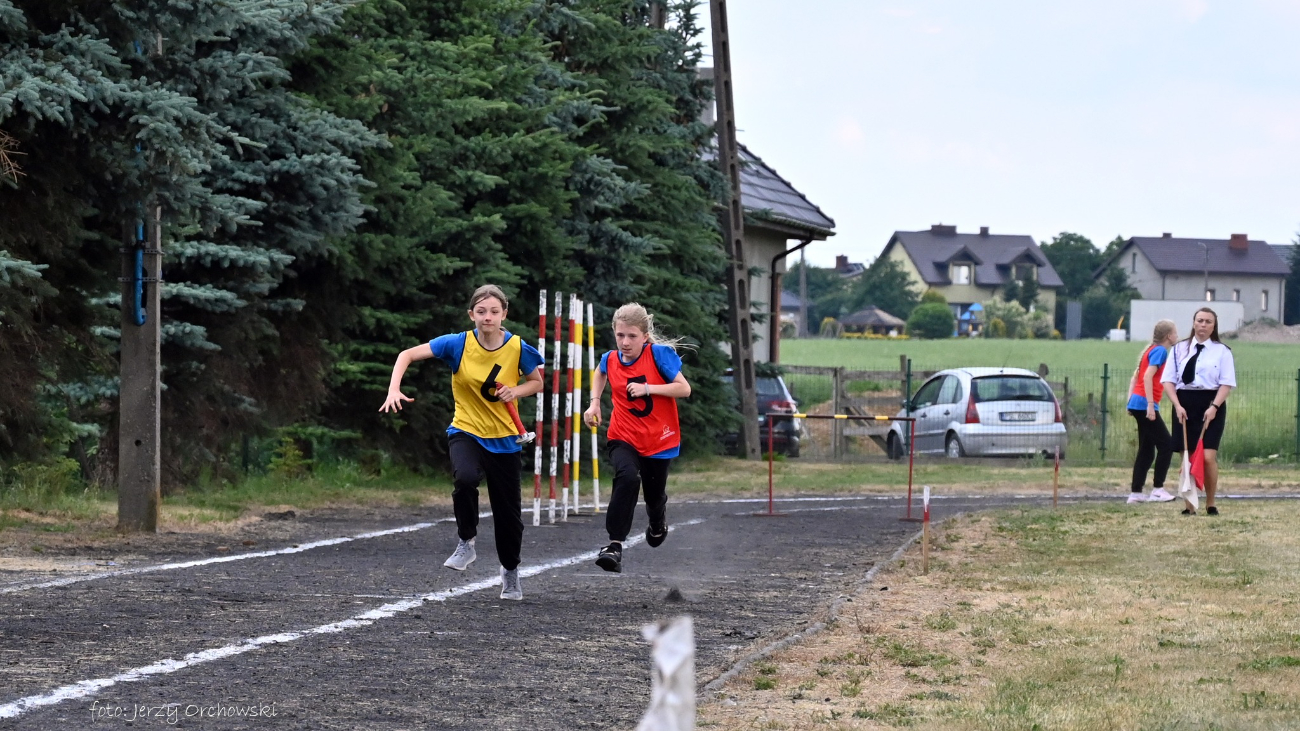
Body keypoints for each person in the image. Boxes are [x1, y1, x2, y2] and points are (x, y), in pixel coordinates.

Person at [380, 285, 544, 599]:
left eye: (494, 311)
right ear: (471, 315)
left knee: (508, 517)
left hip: (505, 439)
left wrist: (515, 391)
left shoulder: (517, 347)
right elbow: (407, 355)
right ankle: (466, 542)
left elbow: (536, 382)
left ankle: (510, 571)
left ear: (504, 314)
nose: (487, 317)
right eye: (481, 311)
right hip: (466, 430)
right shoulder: (458, 343)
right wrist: (393, 389)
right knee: (465, 478)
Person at [582, 303, 692, 574]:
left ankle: (657, 521)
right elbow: (600, 371)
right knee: (628, 476)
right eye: (620, 335)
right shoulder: (611, 358)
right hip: (623, 436)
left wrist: (648, 388)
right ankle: (614, 545)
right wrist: (594, 403)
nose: (625, 342)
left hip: (659, 441)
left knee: (654, 497)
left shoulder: (658, 355)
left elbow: (684, 389)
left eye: (632, 336)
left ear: (645, 336)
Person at [1162, 307, 1236, 516]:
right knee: (1187, 456)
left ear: (1214, 326)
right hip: (1184, 404)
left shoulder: (1222, 351)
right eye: (1200, 320)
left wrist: (1214, 407)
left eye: (1208, 322)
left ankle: (1210, 503)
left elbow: (1226, 383)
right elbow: (1168, 381)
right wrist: (1177, 405)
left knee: (1207, 457)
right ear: (1194, 323)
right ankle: (1190, 506)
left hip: (1211, 404)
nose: (1203, 325)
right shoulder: (1178, 349)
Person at [1125, 319, 1179, 503]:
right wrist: (1150, 405)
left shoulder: (1149, 350)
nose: (1177, 336)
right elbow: (1147, 376)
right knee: (1167, 445)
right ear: (1168, 336)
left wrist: (1129, 402)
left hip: (1137, 403)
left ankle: (1136, 493)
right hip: (1144, 404)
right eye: (1175, 333)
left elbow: (1135, 378)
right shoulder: (1160, 351)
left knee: (1147, 450)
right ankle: (1157, 489)